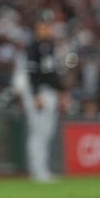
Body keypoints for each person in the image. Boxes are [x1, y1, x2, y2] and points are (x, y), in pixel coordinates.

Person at [13, 17, 63, 183]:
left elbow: (52, 74)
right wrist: (35, 95)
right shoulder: (33, 47)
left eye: (48, 26)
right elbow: (32, 74)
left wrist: (63, 91)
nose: (47, 29)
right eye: (43, 26)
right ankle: (37, 171)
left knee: (47, 132)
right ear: (37, 29)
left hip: (49, 92)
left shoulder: (49, 47)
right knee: (38, 132)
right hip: (38, 92)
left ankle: (44, 170)